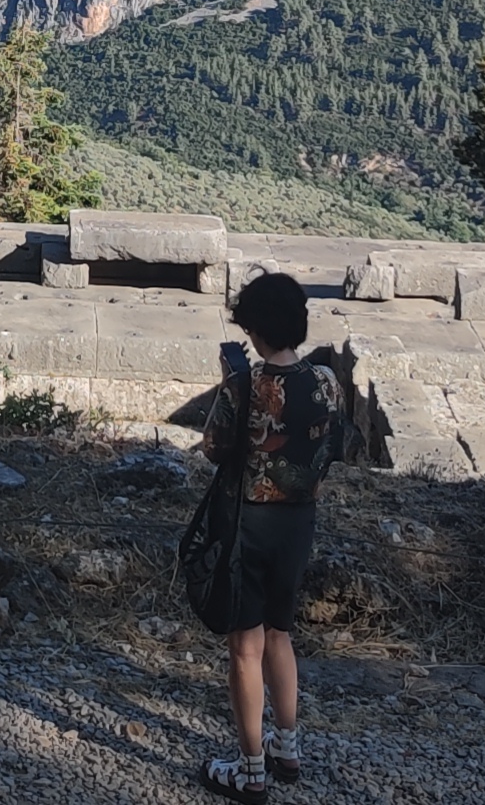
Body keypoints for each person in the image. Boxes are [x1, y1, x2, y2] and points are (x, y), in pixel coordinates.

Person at [198, 271, 347, 801]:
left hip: (250, 523)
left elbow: (214, 448)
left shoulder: (247, 386)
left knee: (245, 645)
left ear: (257, 329)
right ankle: (287, 747)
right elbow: (334, 446)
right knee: (280, 633)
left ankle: (250, 770)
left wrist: (230, 383)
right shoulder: (327, 382)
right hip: (298, 523)